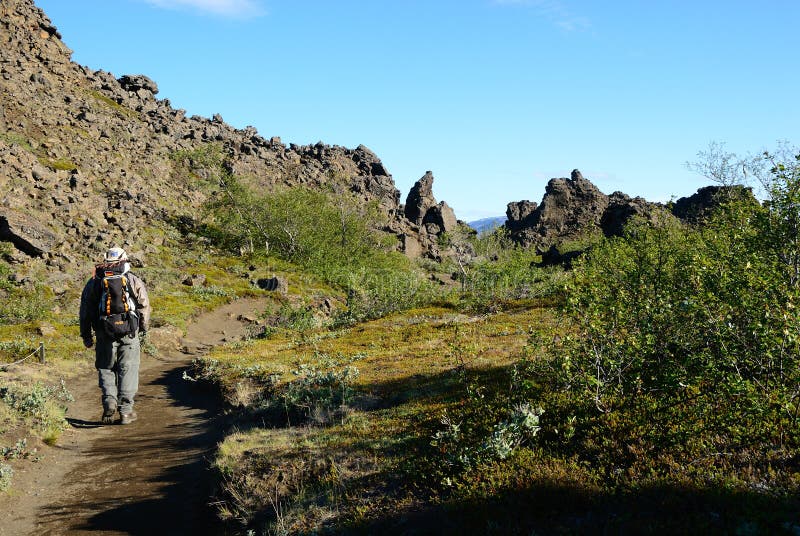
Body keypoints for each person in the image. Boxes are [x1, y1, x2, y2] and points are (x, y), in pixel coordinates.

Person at [79, 247, 150, 425]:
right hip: (129, 331)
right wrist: (142, 328)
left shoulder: (95, 281)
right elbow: (144, 306)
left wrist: (86, 335)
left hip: (104, 332)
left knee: (106, 368)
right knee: (129, 369)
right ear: (124, 260)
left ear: (106, 261)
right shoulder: (133, 279)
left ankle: (109, 401)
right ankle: (126, 411)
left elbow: (85, 311)